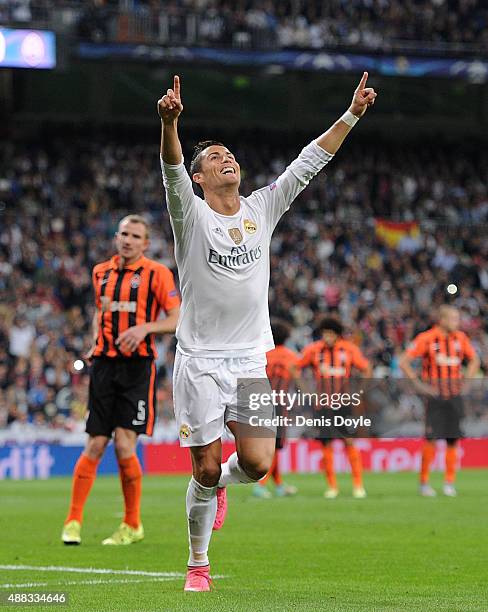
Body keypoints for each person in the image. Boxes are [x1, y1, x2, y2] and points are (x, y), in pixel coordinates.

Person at [158, 72, 377, 591]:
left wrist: (351, 115)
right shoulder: (189, 215)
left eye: (229, 154)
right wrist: (168, 123)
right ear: (200, 180)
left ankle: (219, 489)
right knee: (205, 470)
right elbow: (169, 170)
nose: (226, 159)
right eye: (214, 159)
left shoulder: (261, 208)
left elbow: (308, 163)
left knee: (256, 464)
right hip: (200, 361)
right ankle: (198, 564)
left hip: (251, 360)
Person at [61, 215, 180, 545]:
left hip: (137, 369)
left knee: (125, 444)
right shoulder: (101, 272)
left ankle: (132, 524)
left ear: (145, 243)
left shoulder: (157, 273)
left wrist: (145, 328)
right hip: (103, 366)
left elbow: (176, 317)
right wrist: (94, 340)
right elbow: (102, 311)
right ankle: (72, 521)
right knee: (96, 443)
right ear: (116, 238)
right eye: (124, 234)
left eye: (136, 236)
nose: (128, 240)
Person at [399, 305, 479, 497]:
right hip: (435, 397)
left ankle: (449, 482)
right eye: (453, 319)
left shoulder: (460, 338)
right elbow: (404, 362)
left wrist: (466, 383)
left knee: (453, 440)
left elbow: (474, 360)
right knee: (431, 439)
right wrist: (420, 386)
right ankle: (424, 482)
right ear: (441, 320)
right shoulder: (427, 338)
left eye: (457, 319)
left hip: (454, 396)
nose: (456, 323)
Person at [299, 317, 372, 499]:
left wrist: (359, 391)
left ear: (337, 334)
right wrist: (307, 392)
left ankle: (358, 484)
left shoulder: (348, 350)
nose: (327, 337)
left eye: (330, 333)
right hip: (322, 405)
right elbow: (295, 368)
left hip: (344, 404)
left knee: (348, 441)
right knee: (326, 443)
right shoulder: (314, 350)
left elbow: (367, 369)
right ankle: (332, 486)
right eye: (325, 333)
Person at [253, 320, 300, 499]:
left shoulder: (263, 354)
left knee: (270, 444)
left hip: (260, 401)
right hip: (279, 404)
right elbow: (297, 379)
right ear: (287, 337)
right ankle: (261, 484)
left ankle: (279, 485)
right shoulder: (291, 356)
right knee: (275, 446)